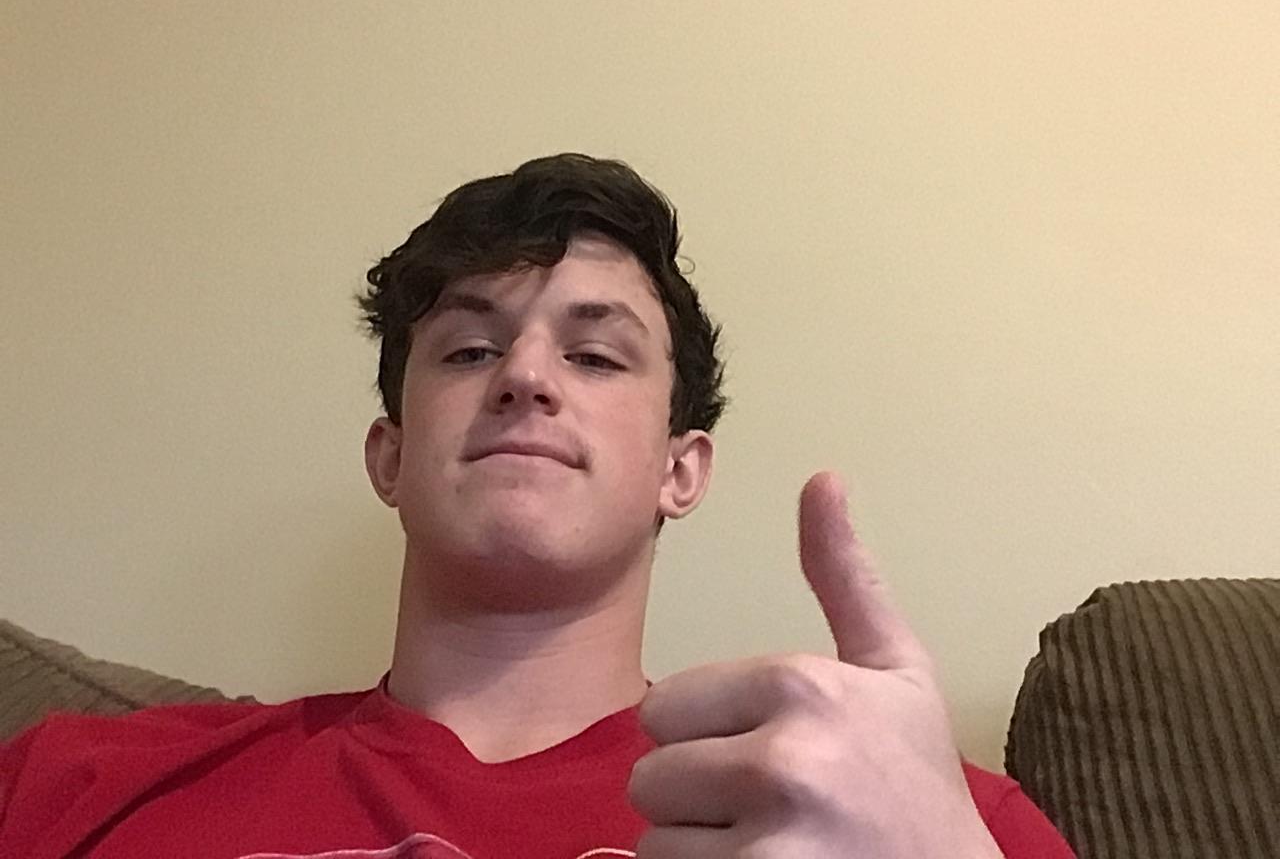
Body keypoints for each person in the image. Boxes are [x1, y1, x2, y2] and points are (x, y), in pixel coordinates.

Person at [0, 154, 1075, 859]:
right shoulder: (67, 782)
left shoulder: (920, 818)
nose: (524, 376)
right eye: (470, 350)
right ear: (390, 455)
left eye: (595, 356)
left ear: (681, 469)